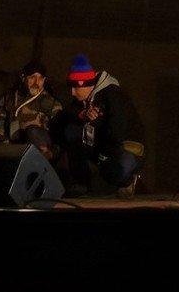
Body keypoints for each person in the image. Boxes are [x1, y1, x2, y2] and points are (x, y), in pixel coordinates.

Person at [54, 55, 147, 195]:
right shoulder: (84, 99)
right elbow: (63, 117)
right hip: (101, 148)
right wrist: (83, 115)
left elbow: (117, 130)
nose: (72, 93)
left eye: (75, 88)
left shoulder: (113, 95)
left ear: (88, 85)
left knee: (115, 171)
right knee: (71, 131)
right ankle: (82, 182)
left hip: (125, 147)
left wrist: (104, 155)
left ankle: (126, 180)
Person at [0, 61, 63, 156]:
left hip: (39, 151)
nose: (36, 83)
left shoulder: (52, 104)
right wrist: (5, 147)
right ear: (23, 78)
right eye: (32, 77)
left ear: (44, 80)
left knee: (33, 131)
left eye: (40, 78)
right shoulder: (9, 99)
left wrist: (52, 152)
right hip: (13, 149)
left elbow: (60, 135)